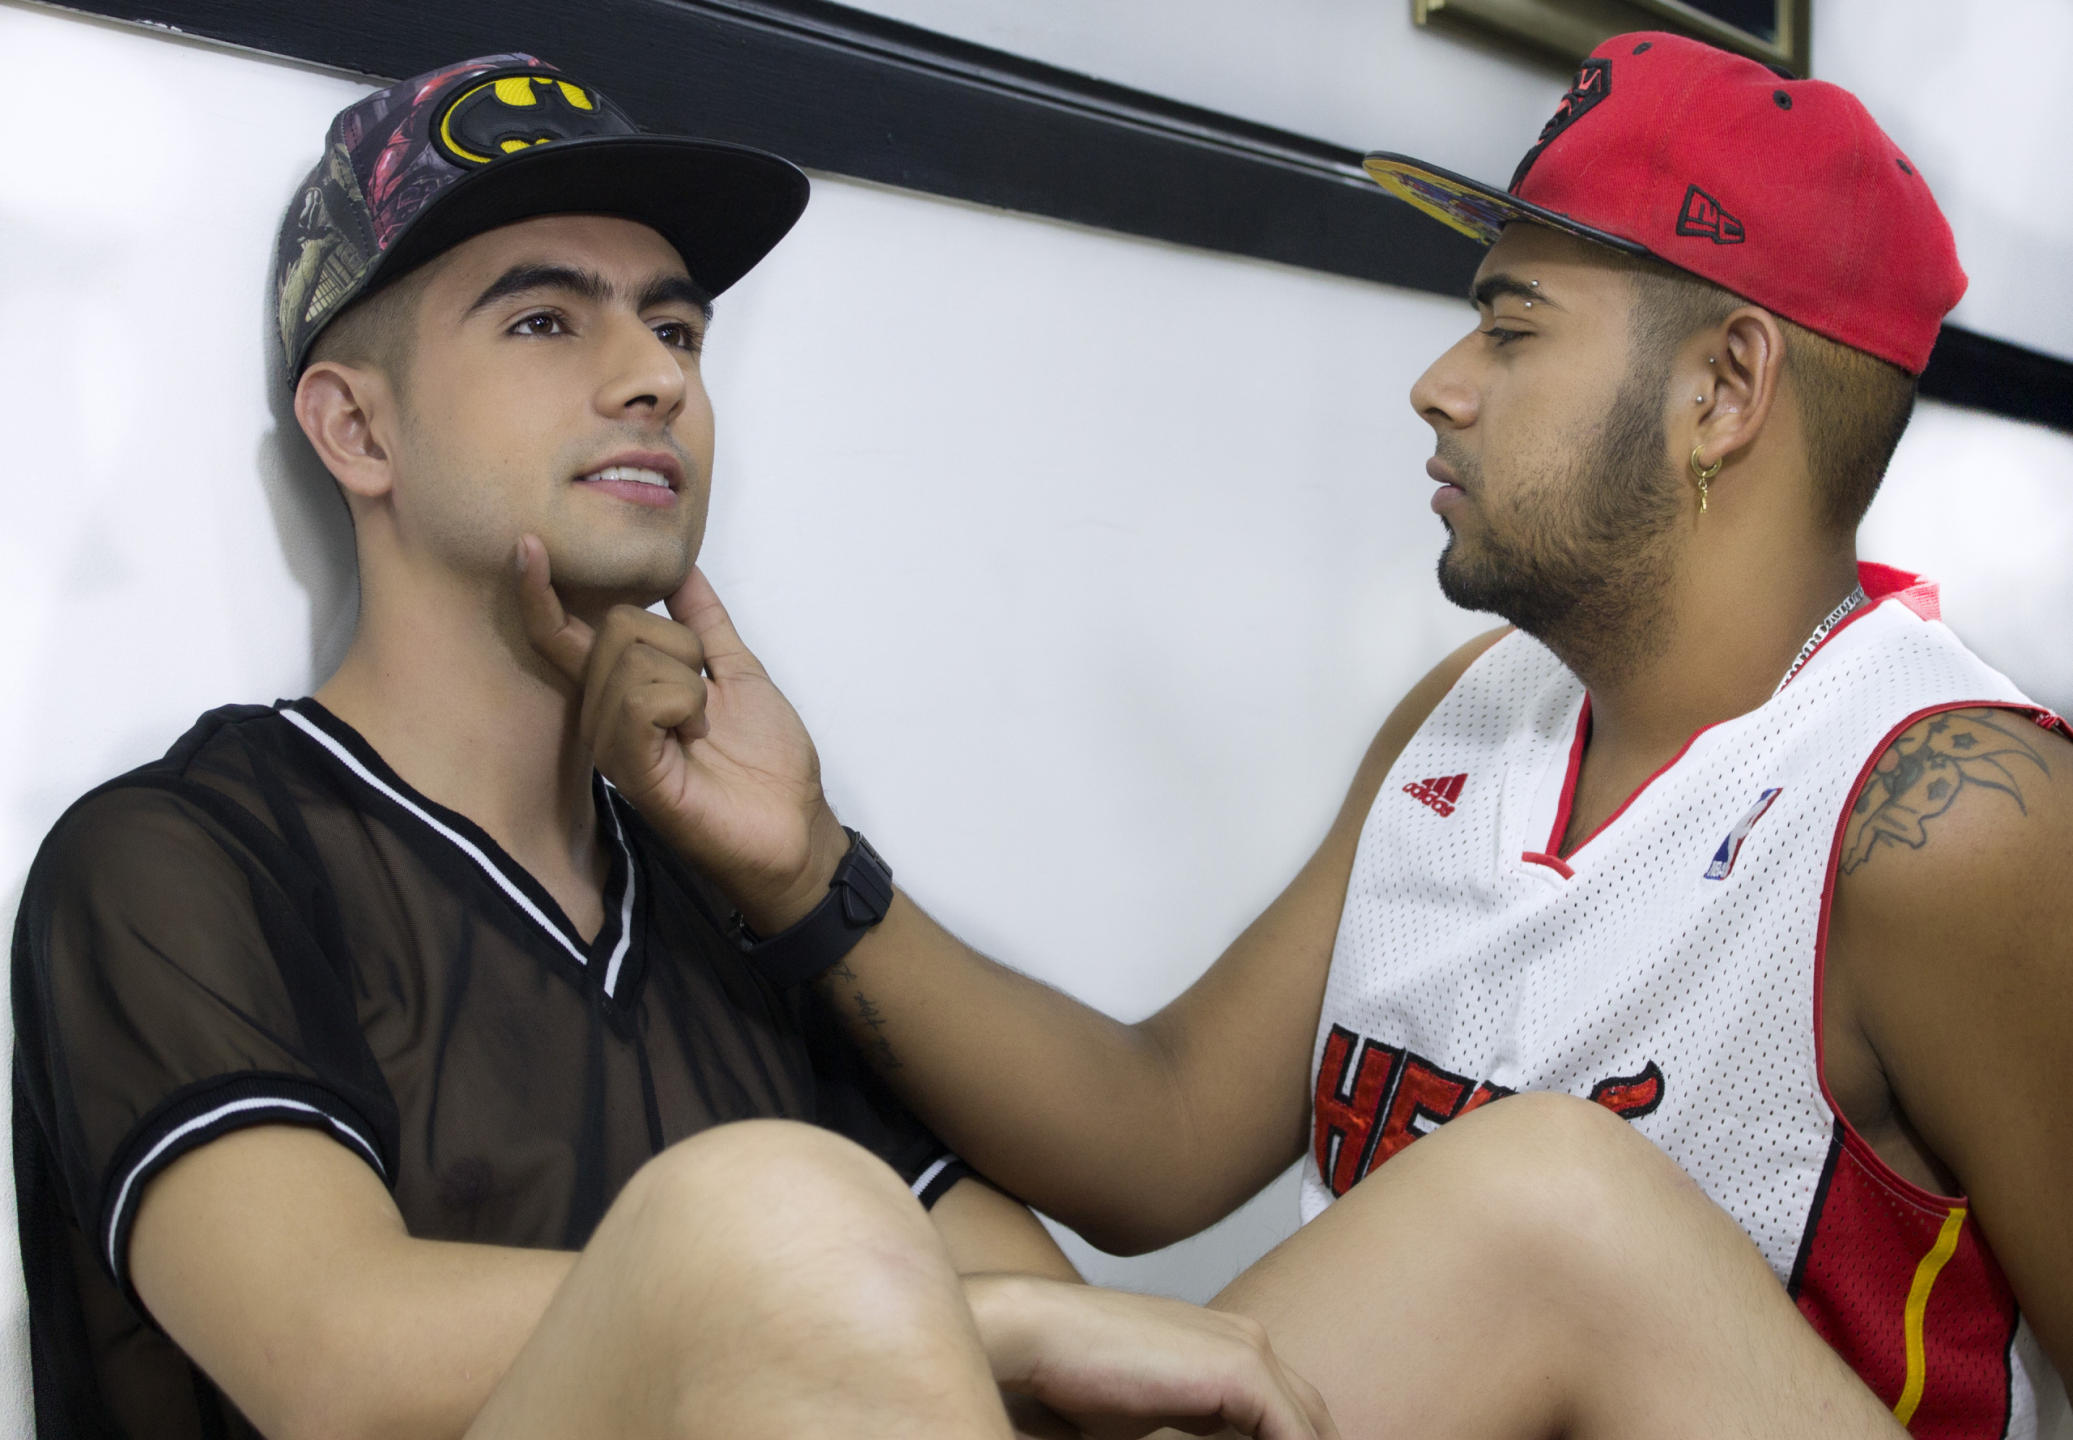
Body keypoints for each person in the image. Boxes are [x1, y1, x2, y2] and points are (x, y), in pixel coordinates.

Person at [536, 31, 2072, 1440]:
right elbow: (1158, 1133)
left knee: (1548, 1203)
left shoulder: (1953, 813)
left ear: (1723, 389)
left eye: (1509, 328)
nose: (1438, 386)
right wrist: (804, 867)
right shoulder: (1473, 713)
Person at [10, 55, 1348, 1440]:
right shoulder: (183, 856)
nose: (654, 376)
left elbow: (1085, 1369)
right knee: (774, 1204)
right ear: (358, 427)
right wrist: (951, 1315)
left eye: (678, 331)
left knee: (1494, 1204)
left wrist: (806, 869)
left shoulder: (716, 901)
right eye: (544, 320)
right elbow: (334, 1356)